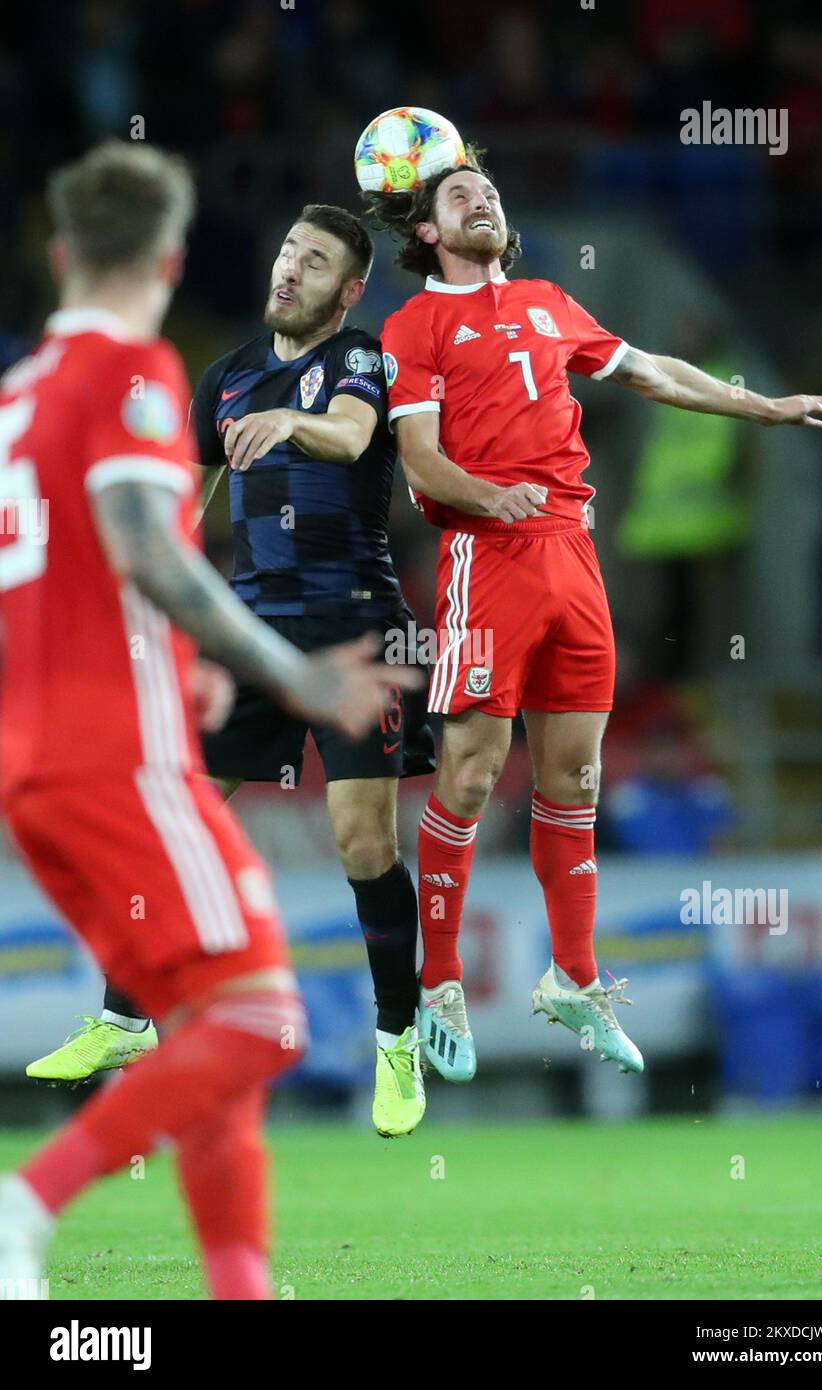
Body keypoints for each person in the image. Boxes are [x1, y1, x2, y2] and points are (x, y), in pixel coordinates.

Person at [0, 140, 417, 1300]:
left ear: (58, 252)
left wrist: (171, 660)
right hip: (117, 760)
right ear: (173, 257)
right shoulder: (137, 373)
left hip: (34, 763)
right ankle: (25, 1204)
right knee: (266, 1019)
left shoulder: (18, 395)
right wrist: (294, 671)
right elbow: (151, 551)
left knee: (206, 1029)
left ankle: (239, 1287)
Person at [372, 156, 822, 1083]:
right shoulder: (413, 324)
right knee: (468, 773)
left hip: (575, 560)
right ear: (426, 230)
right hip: (488, 558)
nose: (485, 201)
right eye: (460, 196)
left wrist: (759, 406)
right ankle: (441, 980)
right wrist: (487, 498)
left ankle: (574, 979)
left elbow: (650, 371)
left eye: (491, 191)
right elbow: (419, 461)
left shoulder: (549, 301)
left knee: (575, 775)